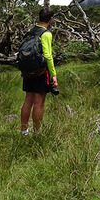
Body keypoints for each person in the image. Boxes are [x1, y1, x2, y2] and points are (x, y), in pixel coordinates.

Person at [20, 7, 57, 135]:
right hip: (40, 71)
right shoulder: (46, 34)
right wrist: (53, 75)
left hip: (27, 70)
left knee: (28, 100)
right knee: (39, 102)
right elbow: (48, 56)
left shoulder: (31, 31)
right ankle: (37, 132)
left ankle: (24, 131)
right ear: (51, 19)